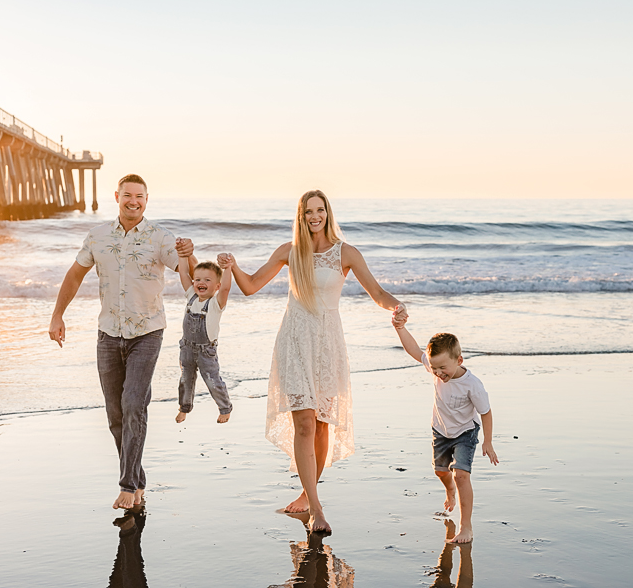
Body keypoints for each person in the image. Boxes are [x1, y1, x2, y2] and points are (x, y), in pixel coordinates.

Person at [218, 189, 407, 533]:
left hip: (328, 344)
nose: (315, 216)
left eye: (320, 210)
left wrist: (397, 307)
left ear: (327, 213)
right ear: (301, 216)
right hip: (295, 339)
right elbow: (251, 286)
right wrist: (233, 267)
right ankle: (318, 509)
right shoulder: (290, 252)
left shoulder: (345, 253)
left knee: (321, 424)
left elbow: (377, 293)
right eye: (309, 211)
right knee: (304, 422)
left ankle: (307, 494)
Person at [48, 173, 195, 510]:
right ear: (117, 196)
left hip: (147, 333)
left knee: (133, 404)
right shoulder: (98, 236)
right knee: (115, 414)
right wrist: (58, 315)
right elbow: (74, 276)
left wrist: (188, 254)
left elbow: (185, 274)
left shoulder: (161, 237)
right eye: (128, 195)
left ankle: (127, 485)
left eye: (139, 197)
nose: (133, 201)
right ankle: (138, 480)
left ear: (147, 199)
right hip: (108, 334)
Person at [391, 322, 499, 543]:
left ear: (459, 360)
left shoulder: (472, 385)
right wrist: (400, 328)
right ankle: (450, 489)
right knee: (441, 472)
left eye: (443, 368)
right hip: (440, 430)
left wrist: (488, 441)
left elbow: (486, 412)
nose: (438, 373)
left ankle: (466, 526)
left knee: (461, 474)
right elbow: (413, 350)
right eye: (434, 369)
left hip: (465, 432)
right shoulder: (435, 367)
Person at [174, 258, 233, 424]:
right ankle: (184, 408)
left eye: (207, 280)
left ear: (217, 286)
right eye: (198, 279)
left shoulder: (215, 304)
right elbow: (184, 274)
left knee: (212, 380)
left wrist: (227, 268)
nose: (201, 282)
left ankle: (224, 409)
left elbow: (227, 288)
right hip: (186, 348)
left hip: (206, 351)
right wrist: (182, 256)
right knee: (186, 380)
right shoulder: (191, 297)